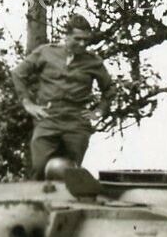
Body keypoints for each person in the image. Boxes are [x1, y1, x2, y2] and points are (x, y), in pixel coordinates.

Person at [11, 14, 114, 179]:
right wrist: (28, 104)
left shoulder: (93, 62)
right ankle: (39, 204)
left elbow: (109, 90)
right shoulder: (46, 52)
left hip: (76, 121)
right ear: (66, 36)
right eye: (78, 39)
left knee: (70, 173)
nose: (82, 44)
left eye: (86, 40)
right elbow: (18, 74)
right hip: (48, 117)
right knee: (38, 169)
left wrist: (98, 112)